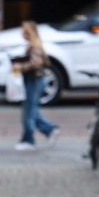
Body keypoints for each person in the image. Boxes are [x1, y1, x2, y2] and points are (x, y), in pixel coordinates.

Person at [11, 21, 60, 152]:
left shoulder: (35, 46)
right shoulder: (32, 46)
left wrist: (20, 66)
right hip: (33, 80)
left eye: (24, 31)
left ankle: (29, 140)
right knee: (31, 110)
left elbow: (35, 63)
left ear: (30, 32)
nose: (22, 33)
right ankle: (49, 130)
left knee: (29, 111)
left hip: (35, 80)